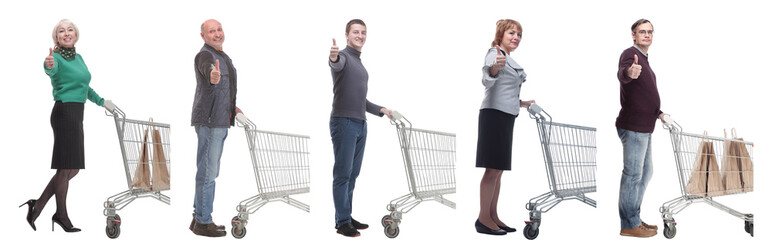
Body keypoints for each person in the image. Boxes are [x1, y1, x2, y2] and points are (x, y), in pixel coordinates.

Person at [21, 19, 112, 233]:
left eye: (70, 30)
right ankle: (60, 214)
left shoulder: (79, 58)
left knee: (74, 168)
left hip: (77, 114)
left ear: (76, 34)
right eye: (61, 31)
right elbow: (51, 69)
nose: (66, 33)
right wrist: (49, 65)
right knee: (65, 168)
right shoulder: (57, 57)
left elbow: (84, 86)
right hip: (64, 113)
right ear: (57, 38)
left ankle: (38, 204)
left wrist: (102, 102)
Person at [328, 19, 393, 237]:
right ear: (347, 35)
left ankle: (346, 214)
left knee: (352, 174)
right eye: (356, 32)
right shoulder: (344, 57)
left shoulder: (359, 62)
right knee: (342, 174)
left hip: (360, 123)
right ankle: (342, 222)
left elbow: (360, 100)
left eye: (363, 32)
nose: (360, 36)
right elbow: (335, 64)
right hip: (343, 122)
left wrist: (380, 109)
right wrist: (333, 57)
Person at [475, 19, 535, 236]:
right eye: (512, 33)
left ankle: (493, 215)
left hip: (506, 116)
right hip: (493, 116)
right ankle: (483, 218)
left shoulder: (508, 58)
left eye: (519, 34)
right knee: (491, 169)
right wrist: (494, 68)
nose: (516, 37)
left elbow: (504, 90)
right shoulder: (495, 53)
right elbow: (488, 79)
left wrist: (522, 103)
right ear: (501, 34)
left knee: (498, 170)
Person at [616, 18, 669, 238]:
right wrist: (629, 73)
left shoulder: (645, 60)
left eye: (650, 32)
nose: (646, 35)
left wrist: (659, 113)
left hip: (645, 127)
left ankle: (634, 218)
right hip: (634, 126)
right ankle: (628, 223)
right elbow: (623, 73)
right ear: (633, 35)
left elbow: (645, 94)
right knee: (633, 175)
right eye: (642, 32)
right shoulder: (631, 54)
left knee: (645, 172)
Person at [189, 19, 242, 237]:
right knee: (208, 173)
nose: (217, 34)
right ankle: (203, 221)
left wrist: (234, 108)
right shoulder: (206, 55)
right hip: (211, 122)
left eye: (219, 29)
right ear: (203, 36)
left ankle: (197, 217)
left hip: (219, 120)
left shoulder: (222, 55)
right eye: (211, 31)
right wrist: (212, 75)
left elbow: (223, 91)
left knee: (208, 171)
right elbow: (209, 71)